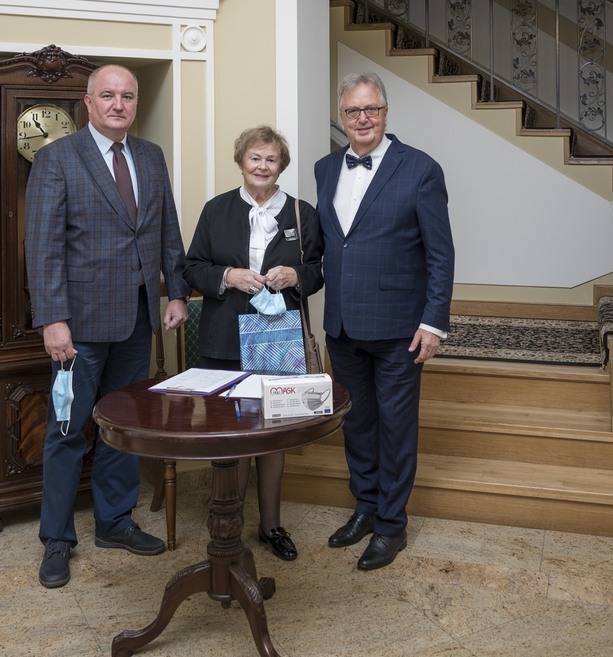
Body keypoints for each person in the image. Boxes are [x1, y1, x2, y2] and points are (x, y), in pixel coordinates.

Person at [25, 64, 191, 588]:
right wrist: (53, 320)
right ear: (89, 102)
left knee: (123, 427)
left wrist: (177, 291)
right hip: (79, 327)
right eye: (108, 96)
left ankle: (115, 522)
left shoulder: (150, 156)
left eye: (127, 96)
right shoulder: (57, 158)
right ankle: (57, 539)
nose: (119, 104)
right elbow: (43, 247)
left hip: (137, 320)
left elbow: (166, 229)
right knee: (67, 429)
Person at [315, 72, 455, 571]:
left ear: (386, 112)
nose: (363, 119)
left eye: (371, 109)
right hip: (343, 325)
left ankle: (392, 525)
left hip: (400, 327)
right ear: (342, 116)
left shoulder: (421, 169)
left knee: (396, 429)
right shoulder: (325, 168)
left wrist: (433, 322)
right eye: (353, 111)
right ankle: (366, 508)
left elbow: (440, 253)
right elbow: (335, 242)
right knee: (357, 423)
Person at [184, 125, 324, 561]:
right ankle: (228, 526)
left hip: (278, 339)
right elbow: (192, 267)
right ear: (241, 162)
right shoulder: (216, 210)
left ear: (281, 166)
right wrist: (227, 276)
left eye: (271, 159)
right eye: (255, 158)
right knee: (231, 436)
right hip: (224, 339)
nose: (262, 166)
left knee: (273, 434)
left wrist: (296, 275)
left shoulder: (303, 213)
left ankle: (271, 526)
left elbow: (320, 270)